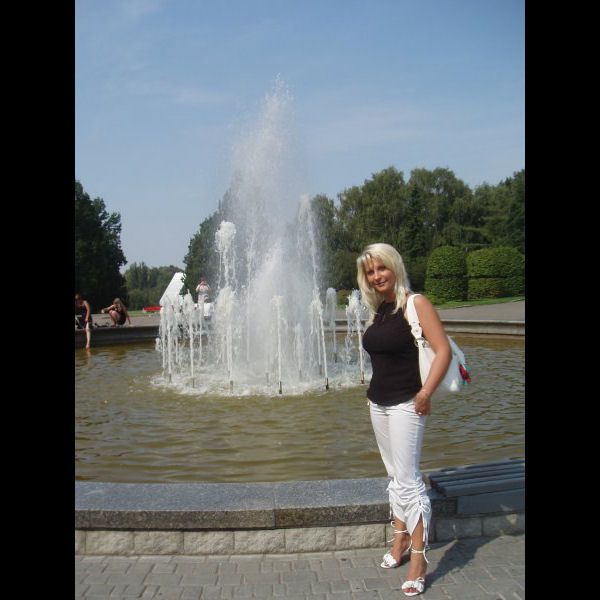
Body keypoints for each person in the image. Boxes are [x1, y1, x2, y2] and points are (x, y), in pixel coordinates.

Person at [356, 243, 451, 597]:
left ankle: (419, 560)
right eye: (370, 271)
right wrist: (372, 395)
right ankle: (400, 541)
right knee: (395, 476)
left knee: (410, 482)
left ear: (394, 266)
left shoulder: (416, 303)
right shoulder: (380, 309)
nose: (376, 276)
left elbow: (442, 350)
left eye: (381, 268)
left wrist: (425, 393)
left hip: (407, 403)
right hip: (378, 404)